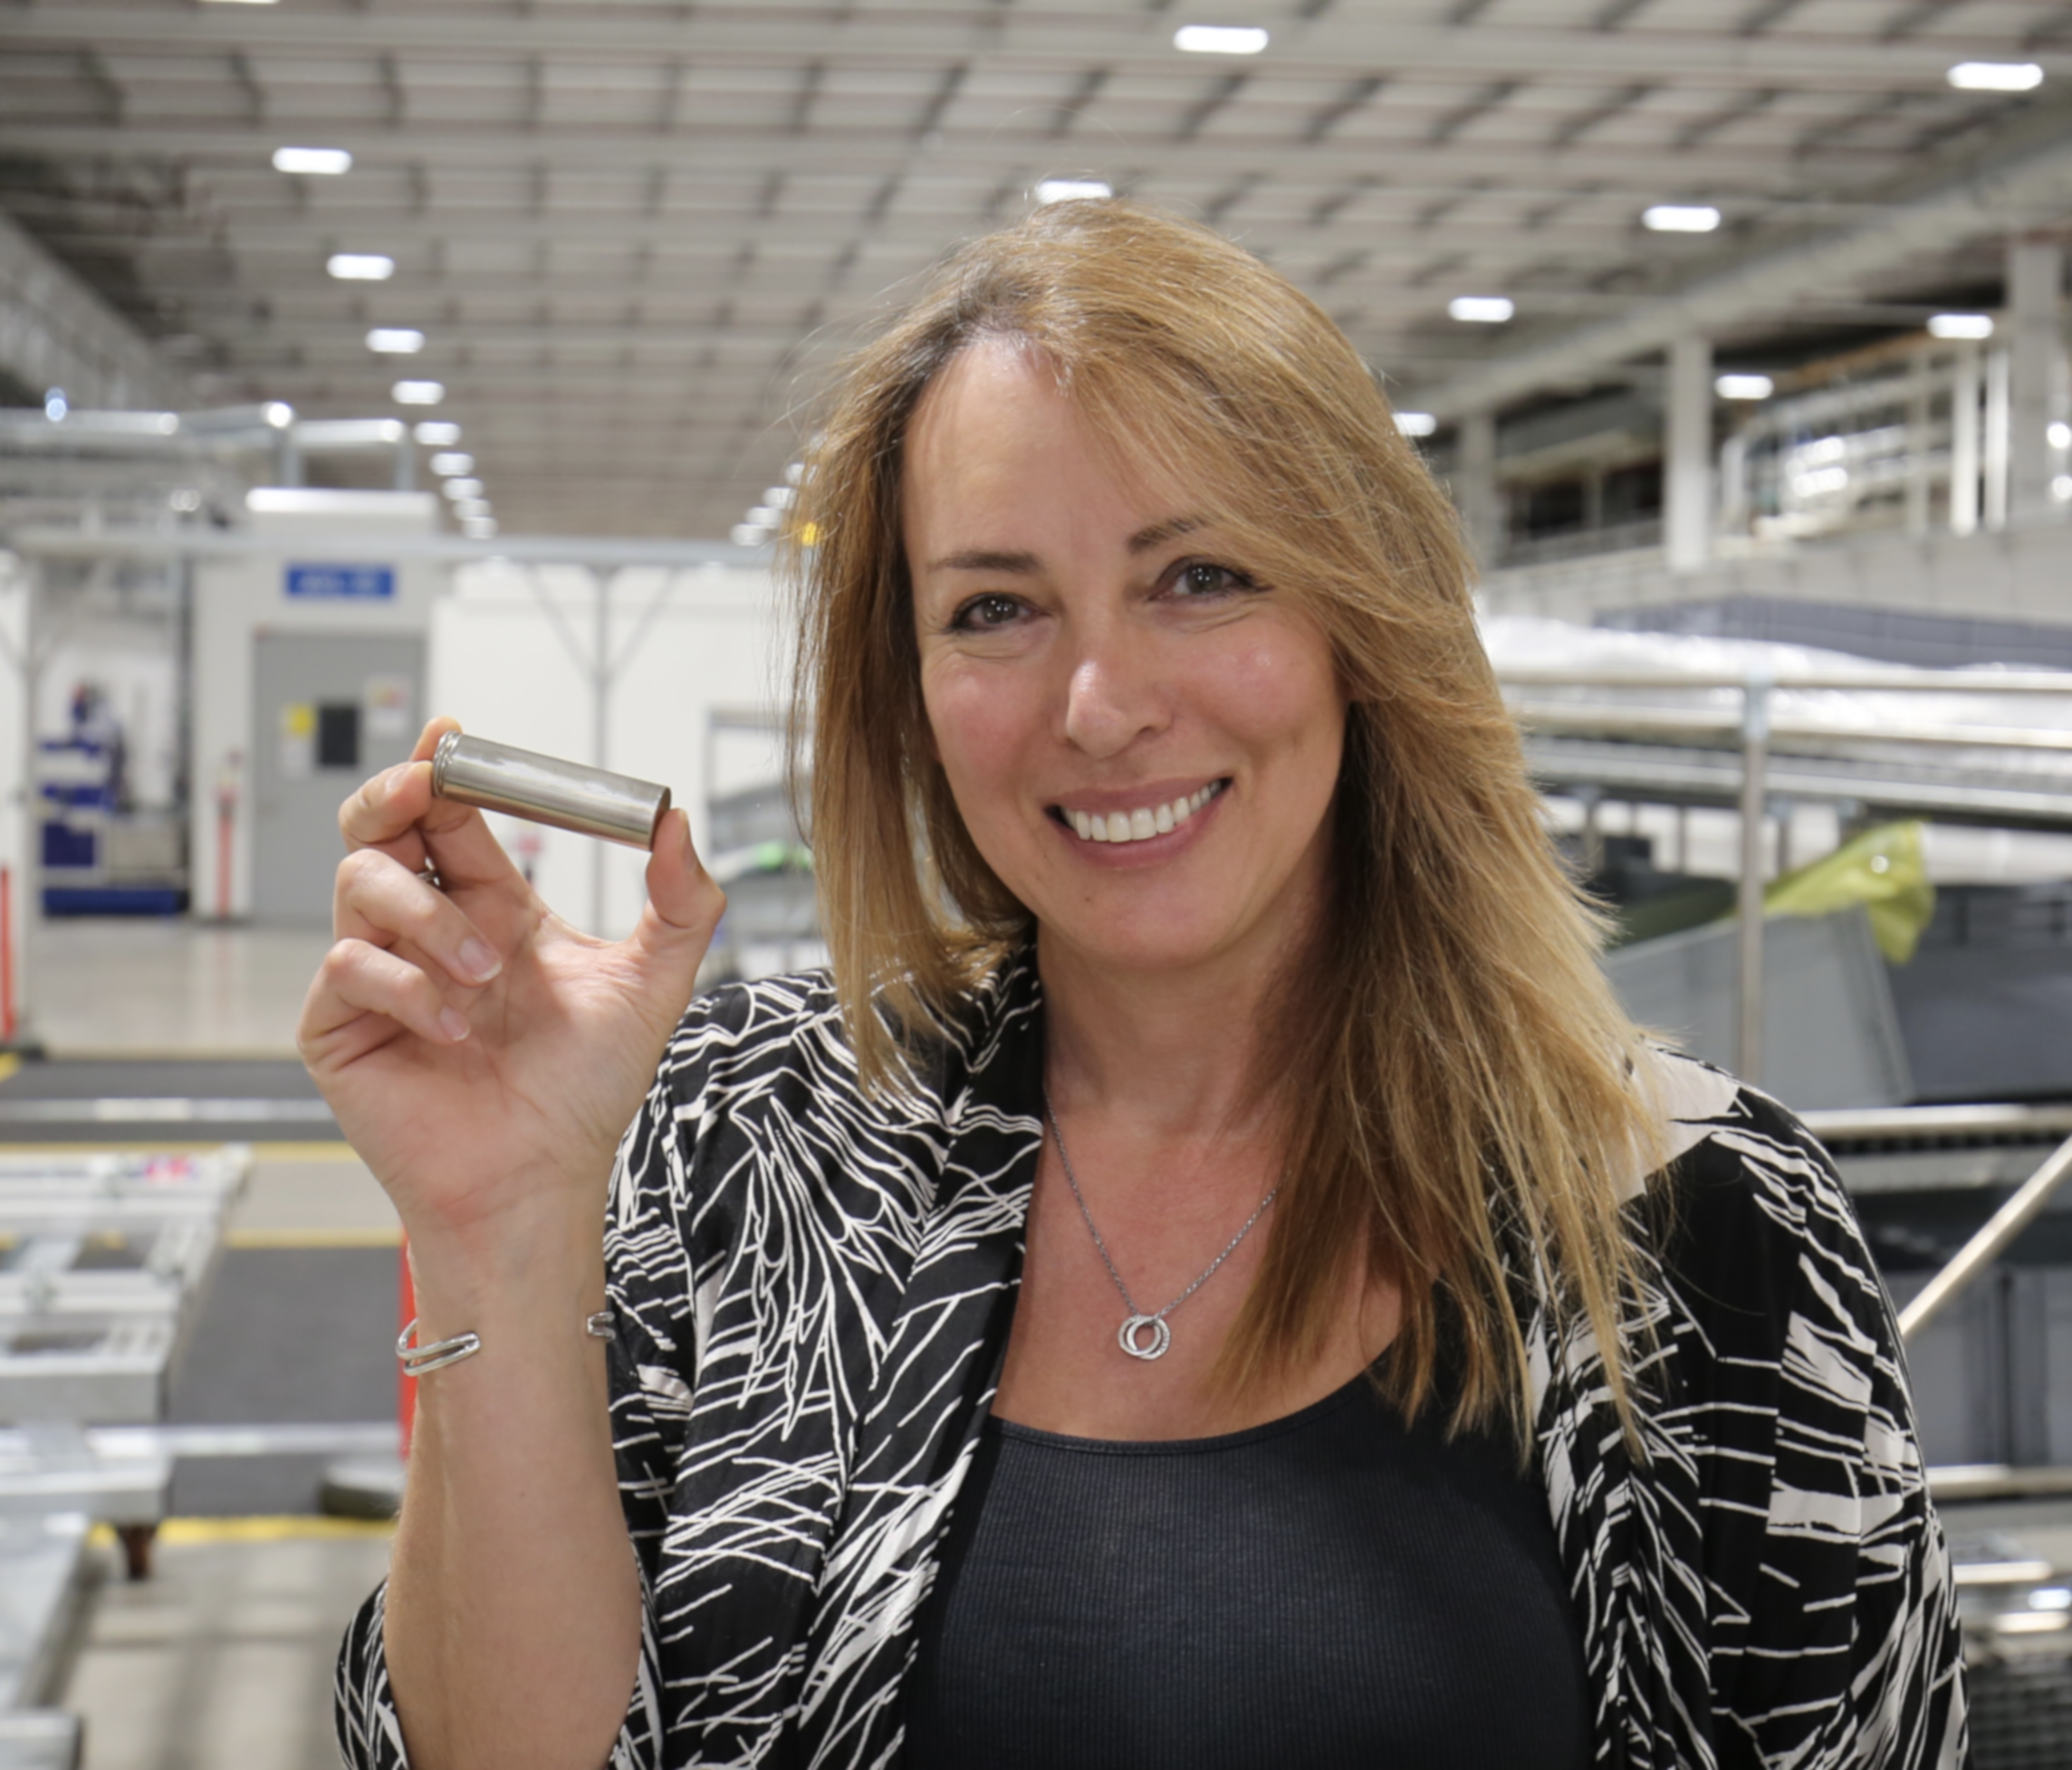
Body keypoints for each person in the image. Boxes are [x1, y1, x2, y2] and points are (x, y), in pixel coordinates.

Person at [313, 200, 1966, 1770]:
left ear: (1364, 623)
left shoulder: (1693, 1220)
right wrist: (504, 1232)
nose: (1099, 703)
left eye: (1202, 577)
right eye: (997, 608)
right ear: (915, 691)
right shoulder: (744, 1140)